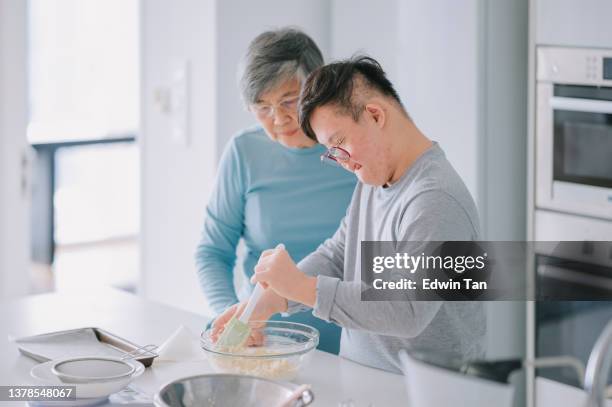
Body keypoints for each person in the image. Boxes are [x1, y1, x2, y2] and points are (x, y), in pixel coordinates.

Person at [213, 56, 486, 373]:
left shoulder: (435, 198)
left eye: (339, 142)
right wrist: (274, 298)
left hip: (422, 393)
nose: (340, 160)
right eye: (331, 151)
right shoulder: (375, 176)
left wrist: (303, 287)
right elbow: (340, 253)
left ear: (374, 115)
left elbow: (406, 310)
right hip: (366, 381)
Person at [195, 28, 356, 354]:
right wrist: (232, 316)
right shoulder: (244, 151)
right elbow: (212, 252)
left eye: (288, 101)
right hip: (264, 340)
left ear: (317, 86)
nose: (278, 118)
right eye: (262, 107)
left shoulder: (353, 150)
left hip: (349, 342)